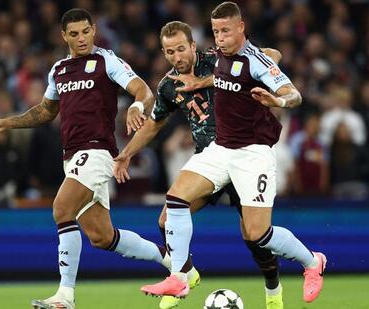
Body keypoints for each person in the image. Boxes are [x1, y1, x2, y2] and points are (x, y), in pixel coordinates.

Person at [0, 9, 171, 309]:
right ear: (63, 36)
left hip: (96, 151)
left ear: (94, 30)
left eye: (85, 31)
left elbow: (143, 90)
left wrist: (136, 107)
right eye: (74, 33)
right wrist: (6, 122)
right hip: (72, 156)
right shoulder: (59, 70)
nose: (81, 38)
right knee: (102, 237)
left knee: (61, 209)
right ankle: (170, 260)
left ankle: (65, 296)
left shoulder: (107, 60)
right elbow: (44, 111)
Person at [140, 2, 327, 306]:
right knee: (175, 200)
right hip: (221, 148)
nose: (221, 37)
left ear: (241, 28)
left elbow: (294, 94)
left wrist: (277, 100)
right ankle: (179, 277)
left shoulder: (255, 61)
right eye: (216, 31)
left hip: (253, 153)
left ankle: (312, 261)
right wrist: (201, 82)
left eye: (226, 30)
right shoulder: (217, 58)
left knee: (258, 235)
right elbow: (223, 76)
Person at [113, 20, 285, 309]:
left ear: (193, 46)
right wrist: (127, 152)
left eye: (181, 49)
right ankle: (186, 275)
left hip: (243, 156)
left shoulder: (217, 59)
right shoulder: (169, 85)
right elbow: (154, 123)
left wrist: (207, 81)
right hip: (209, 161)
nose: (177, 57)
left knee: (255, 238)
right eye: (169, 52)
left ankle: (273, 292)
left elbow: (273, 54)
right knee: (167, 220)